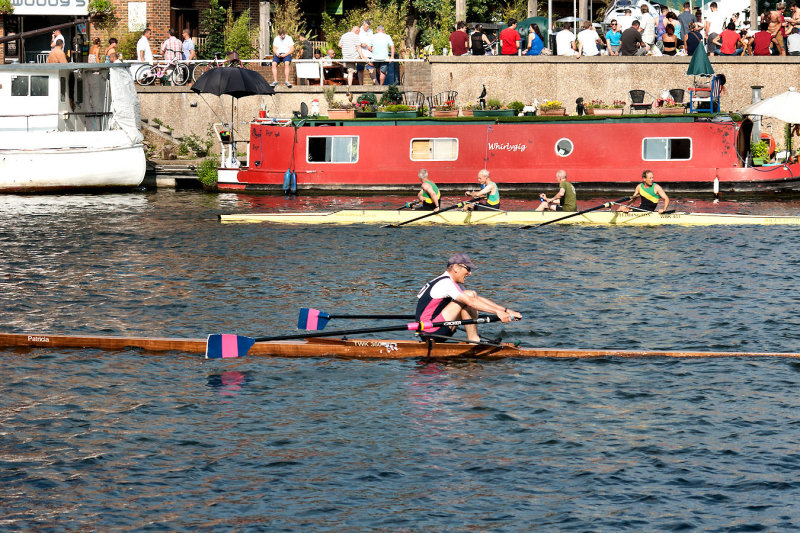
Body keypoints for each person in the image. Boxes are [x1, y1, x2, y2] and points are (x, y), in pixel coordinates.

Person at [415, 253, 521, 343]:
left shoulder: (450, 282)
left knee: (471, 294)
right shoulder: (445, 283)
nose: (470, 273)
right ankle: (474, 340)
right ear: (456, 268)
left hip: (436, 327)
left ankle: (474, 340)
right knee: (469, 296)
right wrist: (498, 312)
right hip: (430, 330)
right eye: (468, 269)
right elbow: (470, 301)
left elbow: (477, 299)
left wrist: (506, 310)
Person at [358, 20, 376, 84]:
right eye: (366, 27)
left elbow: (372, 40)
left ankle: (377, 84)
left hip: (369, 53)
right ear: (363, 25)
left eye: (368, 27)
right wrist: (361, 44)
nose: (367, 28)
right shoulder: (359, 31)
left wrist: (371, 47)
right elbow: (355, 41)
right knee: (360, 70)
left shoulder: (370, 31)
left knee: (371, 69)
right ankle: (360, 85)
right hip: (361, 53)